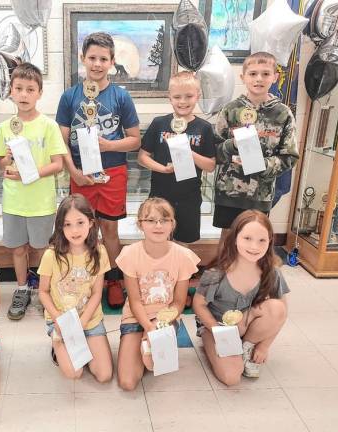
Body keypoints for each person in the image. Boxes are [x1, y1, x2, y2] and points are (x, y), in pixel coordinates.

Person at [56, 32, 140, 309]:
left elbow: (135, 140)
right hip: (81, 173)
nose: (97, 64)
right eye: (92, 58)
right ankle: (82, 278)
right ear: (83, 59)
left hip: (112, 172)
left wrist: (107, 145)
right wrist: (73, 172)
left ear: (112, 62)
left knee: (109, 229)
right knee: (80, 228)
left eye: (103, 59)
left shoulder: (121, 97)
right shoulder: (69, 97)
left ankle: (112, 279)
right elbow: (61, 141)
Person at [0, 63, 67, 321]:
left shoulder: (48, 126)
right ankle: (22, 288)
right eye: (19, 89)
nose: (24, 94)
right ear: (11, 92)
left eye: (30, 89)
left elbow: (58, 164)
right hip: (14, 201)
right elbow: (1, 162)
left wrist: (32, 173)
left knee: (43, 248)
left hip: (41, 201)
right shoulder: (5, 127)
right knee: (17, 248)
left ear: (39, 92)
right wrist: (8, 159)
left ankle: (46, 290)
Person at [193, 210, 289, 386]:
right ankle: (216, 346)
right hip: (216, 327)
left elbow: (282, 314)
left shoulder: (272, 273)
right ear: (235, 238)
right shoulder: (216, 273)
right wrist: (216, 330)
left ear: (270, 242)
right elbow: (198, 304)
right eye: (247, 238)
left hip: (247, 325)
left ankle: (247, 347)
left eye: (262, 240)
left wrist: (264, 345)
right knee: (231, 378)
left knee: (277, 307)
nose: (254, 247)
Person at [213, 51, 299, 247]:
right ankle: (223, 277)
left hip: (260, 194)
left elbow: (290, 156)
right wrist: (232, 145)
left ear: (275, 77)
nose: (259, 79)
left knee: (254, 244)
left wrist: (263, 165)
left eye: (265, 73)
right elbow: (215, 150)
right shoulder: (230, 110)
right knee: (227, 241)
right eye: (252, 74)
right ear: (243, 77)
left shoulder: (283, 114)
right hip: (229, 192)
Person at [115, 198, 200, 390]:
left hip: (165, 319)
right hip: (135, 318)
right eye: (151, 220)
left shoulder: (182, 256)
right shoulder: (130, 254)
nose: (158, 225)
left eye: (164, 220)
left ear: (172, 224)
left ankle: (149, 351)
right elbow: (135, 300)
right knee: (128, 382)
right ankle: (140, 349)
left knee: (153, 365)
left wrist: (159, 324)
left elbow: (178, 302)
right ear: (140, 224)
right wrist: (147, 326)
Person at [37, 194, 113, 382]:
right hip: (61, 321)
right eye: (67, 224)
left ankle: (83, 343)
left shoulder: (100, 251)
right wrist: (58, 319)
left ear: (91, 223)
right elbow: (43, 292)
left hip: (90, 320)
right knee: (74, 373)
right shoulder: (51, 255)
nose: (74, 230)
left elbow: (97, 292)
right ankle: (57, 344)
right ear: (60, 227)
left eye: (80, 222)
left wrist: (84, 321)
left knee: (104, 375)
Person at [138, 71, 217, 243]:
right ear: (170, 98)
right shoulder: (159, 123)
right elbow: (142, 157)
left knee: (183, 245)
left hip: (189, 197)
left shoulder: (204, 128)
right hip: (159, 195)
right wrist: (164, 169)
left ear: (198, 96)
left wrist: (190, 152)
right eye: (177, 97)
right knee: (157, 241)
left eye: (189, 96)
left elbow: (210, 165)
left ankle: (182, 271)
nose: (182, 101)